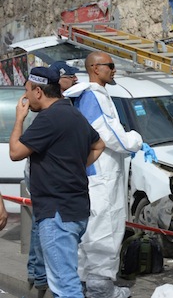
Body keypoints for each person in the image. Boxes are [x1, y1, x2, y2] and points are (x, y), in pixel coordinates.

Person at [9, 67, 105, 298]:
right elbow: (99, 144)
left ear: (39, 92)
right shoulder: (72, 113)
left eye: (27, 92)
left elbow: (15, 152)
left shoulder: (49, 119)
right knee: (64, 279)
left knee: (65, 286)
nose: (26, 98)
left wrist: (19, 119)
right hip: (75, 209)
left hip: (57, 213)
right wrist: (73, 166)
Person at [63, 52, 152, 298]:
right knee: (106, 229)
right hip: (102, 175)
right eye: (110, 66)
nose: (114, 70)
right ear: (94, 68)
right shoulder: (93, 96)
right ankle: (100, 288)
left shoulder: (89, 95)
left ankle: (86, 283)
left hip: (98, 173)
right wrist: (136, 140)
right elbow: (110, 135)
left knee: (93, 231)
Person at [24, 60, 81, 290]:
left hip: (54, 185)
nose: (75, 80)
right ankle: (38, 274)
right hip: (46, 181)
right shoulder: (45, 111)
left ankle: (37, 273)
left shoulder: (57, 109)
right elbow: (16, 151)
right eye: (70, 76)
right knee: (42, 223)